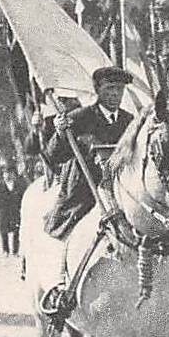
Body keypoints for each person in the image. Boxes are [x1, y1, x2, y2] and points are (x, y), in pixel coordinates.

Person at [42, 65, 135, 241]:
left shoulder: (129, 121)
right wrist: (60, 133)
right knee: (65, 238)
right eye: (109, 88)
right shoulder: (79, 118)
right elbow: (53, 157)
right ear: (97, 90)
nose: (115, 94)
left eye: (120, 89)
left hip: (121, 194)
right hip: (84, 195)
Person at [0, 166, 27, 256]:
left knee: (16, 230)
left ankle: (15, 250)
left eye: (10, 173)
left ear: (14, 174)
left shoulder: (19, 185)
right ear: (3, 175)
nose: (8, 175)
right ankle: (5, 250)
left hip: (15, 211)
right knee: (4, 231)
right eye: (6, 173)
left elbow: (23, 197)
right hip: (3, 211)